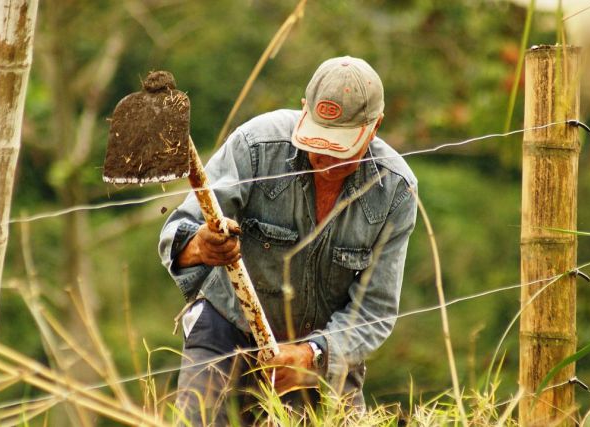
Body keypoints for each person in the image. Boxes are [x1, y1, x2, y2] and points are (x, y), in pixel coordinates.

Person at [159, 56, 417, 424]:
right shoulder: (256, 146)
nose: (325, 157)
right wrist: (201, 245)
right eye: (318, 141)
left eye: (340, 147)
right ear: (304, 111)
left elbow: (374, 311)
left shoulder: (395, 191)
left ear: (374, 127)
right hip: (227, 331)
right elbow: (177, 233)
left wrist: (312, 356)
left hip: (323, 354)